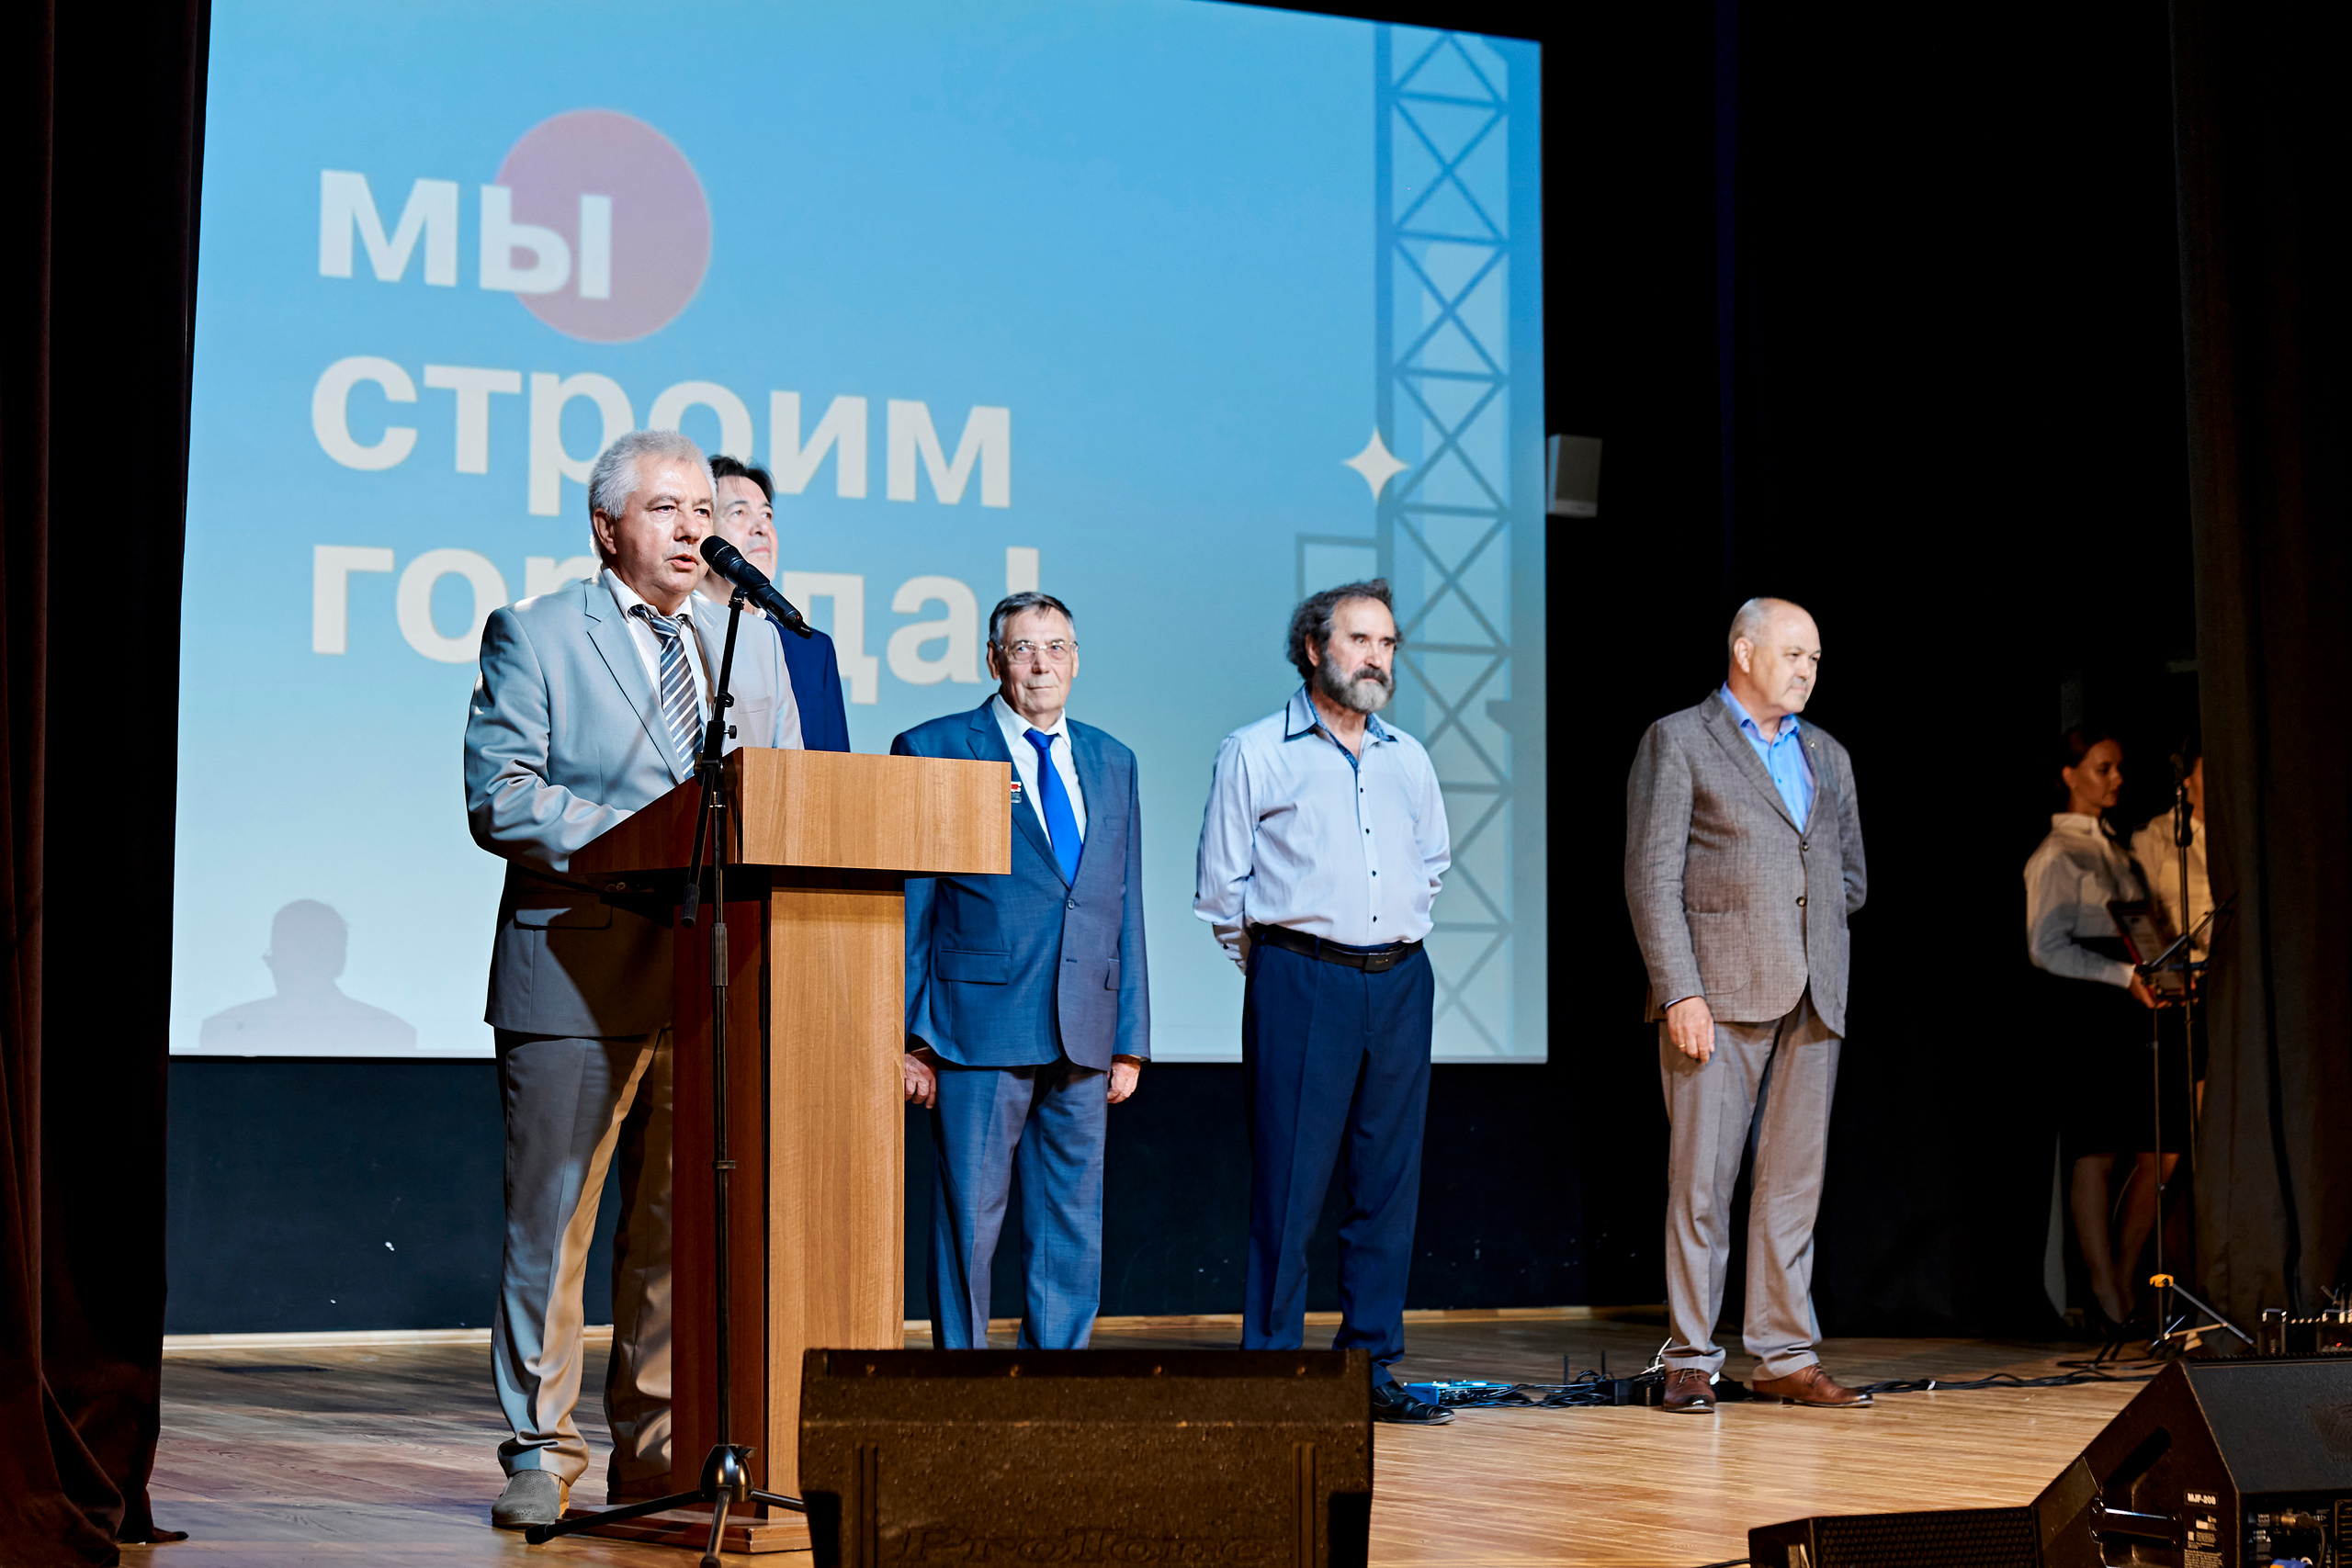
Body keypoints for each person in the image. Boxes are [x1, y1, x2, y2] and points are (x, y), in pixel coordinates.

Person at [464, 430, 808, 1529]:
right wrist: (646, 833)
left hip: (709, 981)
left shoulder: (747, 643)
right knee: (552, 1226)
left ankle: (654, 1445)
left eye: (702, 507)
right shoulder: (538, 631)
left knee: (669, 1233)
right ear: (607, 526)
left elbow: (785, 795)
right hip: (575, 966)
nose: (693, 527)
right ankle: (539, 1448)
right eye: (665, 508)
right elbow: (500, 793)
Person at [1193, 580, 1453, 1426]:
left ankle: (1370, 1363)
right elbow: (1221, 892)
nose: (1377, 657)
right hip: (1303, 977)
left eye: (1387, 643)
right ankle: (1270, 1368)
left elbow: (1433, 866)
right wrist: (1282, 967)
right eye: (1359, 640)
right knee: (1291, 1185)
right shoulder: (1256, 750)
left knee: (1388, 1184)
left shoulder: (1408, 756)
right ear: (1314, 648)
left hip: (1400, 979)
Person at [1623, 596, 1870, 1415]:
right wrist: (1680, 988)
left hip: (1814, 992)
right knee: (1703, 1181)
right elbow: (1652, 879)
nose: (1806, 669)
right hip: (1716, 993)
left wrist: (1815, 938)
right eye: (1794, 653)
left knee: (1794, 1183)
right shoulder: (1680, 740)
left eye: (1815, 659)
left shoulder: (1826, 754)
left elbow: (1849, 878)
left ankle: (1783, 1354)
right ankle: (1691, 1354)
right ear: (1743, 650)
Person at [889, 591, 1149, 1350]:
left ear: (1076, 660)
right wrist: (907, 1035)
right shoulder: (935, 747)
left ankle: (1053, 1386)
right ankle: (961, 1384)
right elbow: (912, 906)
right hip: (974, 1031)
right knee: (969, 1221)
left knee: (1072, 1223)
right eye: (1025, 647)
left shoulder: (1112, 759)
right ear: (995, 659)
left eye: (1057, 646)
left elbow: (1121, 903)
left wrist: (1128, 1036)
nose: (1043, 662)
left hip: (1084, 1032)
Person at [2026, 727, 2171, 1330]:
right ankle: (2106, 1290)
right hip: (2087, 1010)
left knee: (2159, 1151)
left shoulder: (2116, 849)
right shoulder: (2055, 855)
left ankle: (2123, 1270)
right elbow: (2044, 946)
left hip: (2131, 1004)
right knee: (2098, 1149)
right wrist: (2121, 974)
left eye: (2118, 768)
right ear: (2070, 774)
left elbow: (2140, 928)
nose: (2115, 779)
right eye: (2102, 768)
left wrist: (2160, 970)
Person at [697, 454, 852, 752]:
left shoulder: (812, 651)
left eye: (767, 515)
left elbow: (836, 776)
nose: (761, 528)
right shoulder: (672, 634)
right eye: (739, 513)